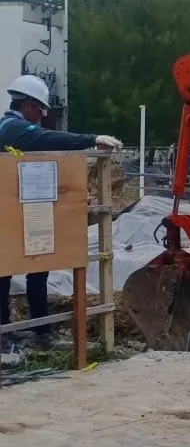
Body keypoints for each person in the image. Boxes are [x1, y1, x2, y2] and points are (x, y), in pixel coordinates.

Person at [0, 74, 121, 334]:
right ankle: (6, 332)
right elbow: (45, 138)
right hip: (8, 214)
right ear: (28, 105)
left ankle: (39, 329)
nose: (42, 115)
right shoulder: (11, 128)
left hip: (24, 211)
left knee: (37, 267)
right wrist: (91, 139)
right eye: (40, 109)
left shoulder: (17, 132)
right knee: (4, 271)